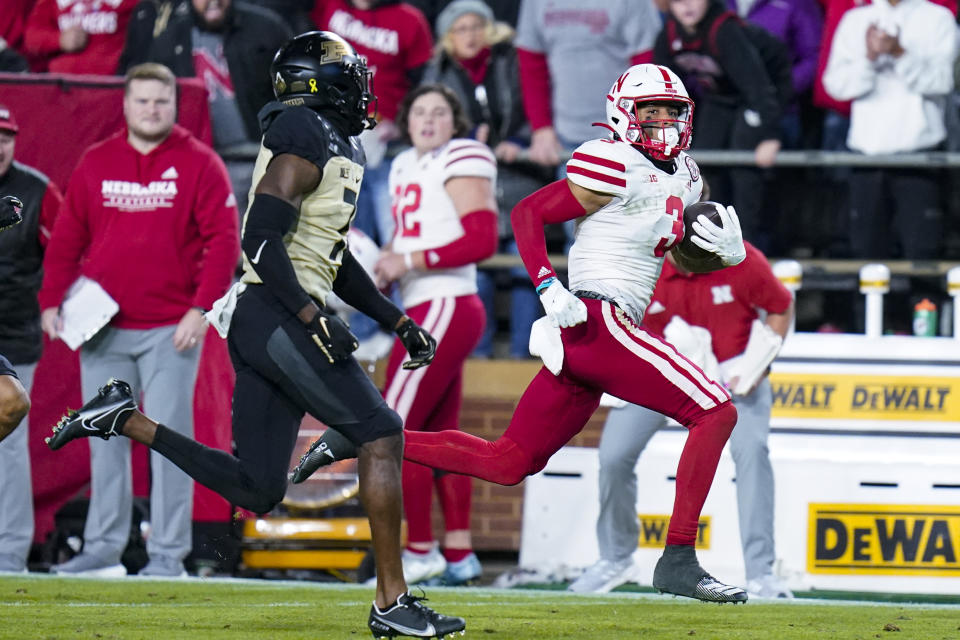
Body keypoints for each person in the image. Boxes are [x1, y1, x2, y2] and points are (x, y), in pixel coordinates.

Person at [46, 32, 466, 639]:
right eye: (348, 71)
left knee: (259, 488)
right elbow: (261, 239)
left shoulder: (337, 140)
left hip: (271, 313)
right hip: (271, 311)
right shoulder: (301, 129)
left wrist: (395, 320)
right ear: (316, 81)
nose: (360, 81)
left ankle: (126, 421)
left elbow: (333, 257)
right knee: (381, 430)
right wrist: (308, 315)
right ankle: (391, 602)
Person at [295, 63, 751, 603]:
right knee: (715, 410)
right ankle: (678, 557)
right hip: (598, 318)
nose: (663, 123)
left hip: (600, 330)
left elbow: (661, 249)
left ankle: (362, 437)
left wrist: (719, 257)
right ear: (624, 115)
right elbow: (529, 212)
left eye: (673, 112)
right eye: (650, 112)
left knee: (508, 462)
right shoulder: (613, 161)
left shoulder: (686, 175)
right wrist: (546, 284)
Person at [38, 63, 241, 578]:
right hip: (103, 331)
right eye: (143, 101)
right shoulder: (95, 161)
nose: (152, 109)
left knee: (169, 442)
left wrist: (202, 308)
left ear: (174, 106)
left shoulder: (201, 163)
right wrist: (50, 301)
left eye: (161, 101)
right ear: (125, 106)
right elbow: (67, 238)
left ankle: (168, 556)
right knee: (104, 443)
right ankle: (104, 550)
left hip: (170, 331)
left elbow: (224, 242)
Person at [568, 244, 795, 599]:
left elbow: (781, 307)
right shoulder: (642, 260)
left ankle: (762, 571)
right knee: (614, 453)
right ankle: (615, 558)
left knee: (752, 452)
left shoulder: (739, 256)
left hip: (733, 375)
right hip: (667, 373)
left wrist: (758, 363)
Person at [373, 84, 497, 585]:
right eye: (419, 111)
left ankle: (419, 549)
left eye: (439, 112)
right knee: (432, 435)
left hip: (446, 301)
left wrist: (409, 260)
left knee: (389, 430)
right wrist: (387, 262)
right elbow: (410, 235)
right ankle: (459, 553)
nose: (427, 120)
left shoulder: (462, 156)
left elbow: (482, 238)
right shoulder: (404, 162)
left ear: (455, 121)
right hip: (422, 304)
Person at [421, 0, 552, 359]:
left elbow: (535, 105)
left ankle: (521, 353)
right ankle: (475, 355)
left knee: (526, 267)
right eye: (461, 29)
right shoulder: (438, 72)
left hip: (519, 176)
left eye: (476, 26)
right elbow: (426, 123)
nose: (470, 35)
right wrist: (463, 142)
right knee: (476, 273)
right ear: (449, 36)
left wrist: (520, 141)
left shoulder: (510, 61)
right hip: (469, 185)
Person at [117, 0, 293, 214]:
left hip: (266, 159)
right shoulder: (169, 40)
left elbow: (300, 93)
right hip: (201, 165)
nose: (213, 2)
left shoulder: (267, 28)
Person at [822, 0, 957, 260]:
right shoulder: (855, 19)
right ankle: (869, 304)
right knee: (866, 254)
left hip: (920, 157)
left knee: (922, 254)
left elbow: (942, 82)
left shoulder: (938, 18)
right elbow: (836, 85)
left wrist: (898, 53)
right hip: (866, 154)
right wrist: (869, 59)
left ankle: (923, 303)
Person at [654, 0, 788, 254]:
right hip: (720, 96)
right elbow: (662, 89)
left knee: (744, 164)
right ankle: (708, 242)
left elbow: (758, 85)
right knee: (701, 162)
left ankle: (745, 250)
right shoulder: (668, 35)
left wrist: (770, 135)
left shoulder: (725, 30)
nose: (686, 5)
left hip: (761, 93)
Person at [311, 0, 435, 246]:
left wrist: (403, 124)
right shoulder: (327, 5)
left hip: (387, 147)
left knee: (397, 236)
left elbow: (426, 85)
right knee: (345, 238)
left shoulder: (409, 20)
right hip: (332, 140)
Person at [0, 107, 64, 575]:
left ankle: (9, 552)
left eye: (5, 137)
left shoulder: (36, 190)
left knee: (9, 439)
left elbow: (66, 250)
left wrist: (54, 304)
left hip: (14, 330)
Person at [23, 0, 137, 74]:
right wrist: (59, 40)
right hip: (64, 86)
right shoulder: (51, 3)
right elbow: (32, 36)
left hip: (111, 84)